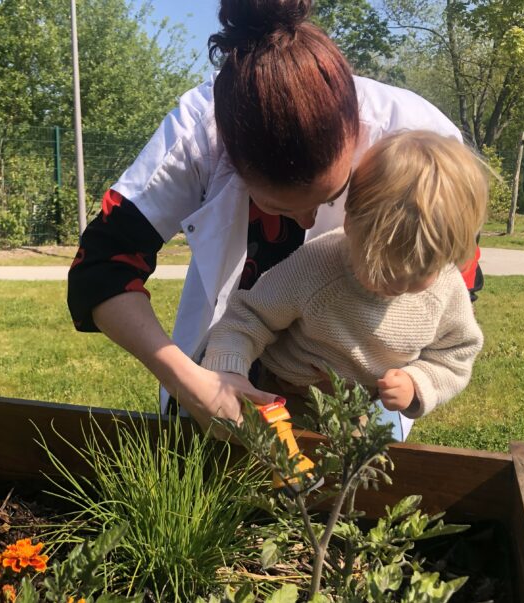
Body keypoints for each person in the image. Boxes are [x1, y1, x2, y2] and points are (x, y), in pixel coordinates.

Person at [67, 0, 481, 435]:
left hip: (362, 404)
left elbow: (457, 280)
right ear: (229, 159)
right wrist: (188, 381)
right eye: (279, 208)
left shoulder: (422, 140)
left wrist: (407, 379)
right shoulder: (198, 134)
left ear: (356, 131)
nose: (307, 222)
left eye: (334, 196)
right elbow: (101, 268)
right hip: (227, 362)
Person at [200, 131, 487, 441]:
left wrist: (417, 382)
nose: (400, 286)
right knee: (273, 461)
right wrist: (228, 371)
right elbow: (250, 316)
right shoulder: (318, 266)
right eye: (383, 272)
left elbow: (455, 353)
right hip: (288, 394)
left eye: (421, 274)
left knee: (353, 466)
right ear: (350, 223)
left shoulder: (445, 289)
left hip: (362, 406)